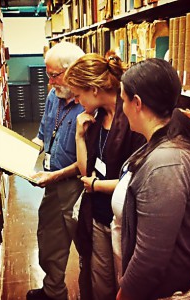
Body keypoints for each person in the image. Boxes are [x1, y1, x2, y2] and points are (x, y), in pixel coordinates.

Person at [113, 58, 190, 300]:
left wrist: (124, 295)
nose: (122, 107)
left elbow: (150, 258)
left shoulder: (164, 165)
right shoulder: (171, 140)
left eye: (123, 99)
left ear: (137, 103)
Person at [64, 52, 146, 300]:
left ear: (95, 89)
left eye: (78, 95)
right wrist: (79, 136)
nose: (77, 102)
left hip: (125, 219)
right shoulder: (96, 118)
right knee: (101, 284)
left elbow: (136, 181)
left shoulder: (133, 118)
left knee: (125, 284)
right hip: (98, 215)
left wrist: (97, 186)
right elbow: (84, 170)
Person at [26, 41, 85, 300]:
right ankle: (53, 291)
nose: (49, 83)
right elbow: (42, 135)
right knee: (49, 241)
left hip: (79, 186)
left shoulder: (89, 104)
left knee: (88, 249)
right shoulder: (54, 96)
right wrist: (17, 155)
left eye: (53, 75)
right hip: (52, 182)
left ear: (72, 70)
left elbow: (88, 162)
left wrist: (56, 175)